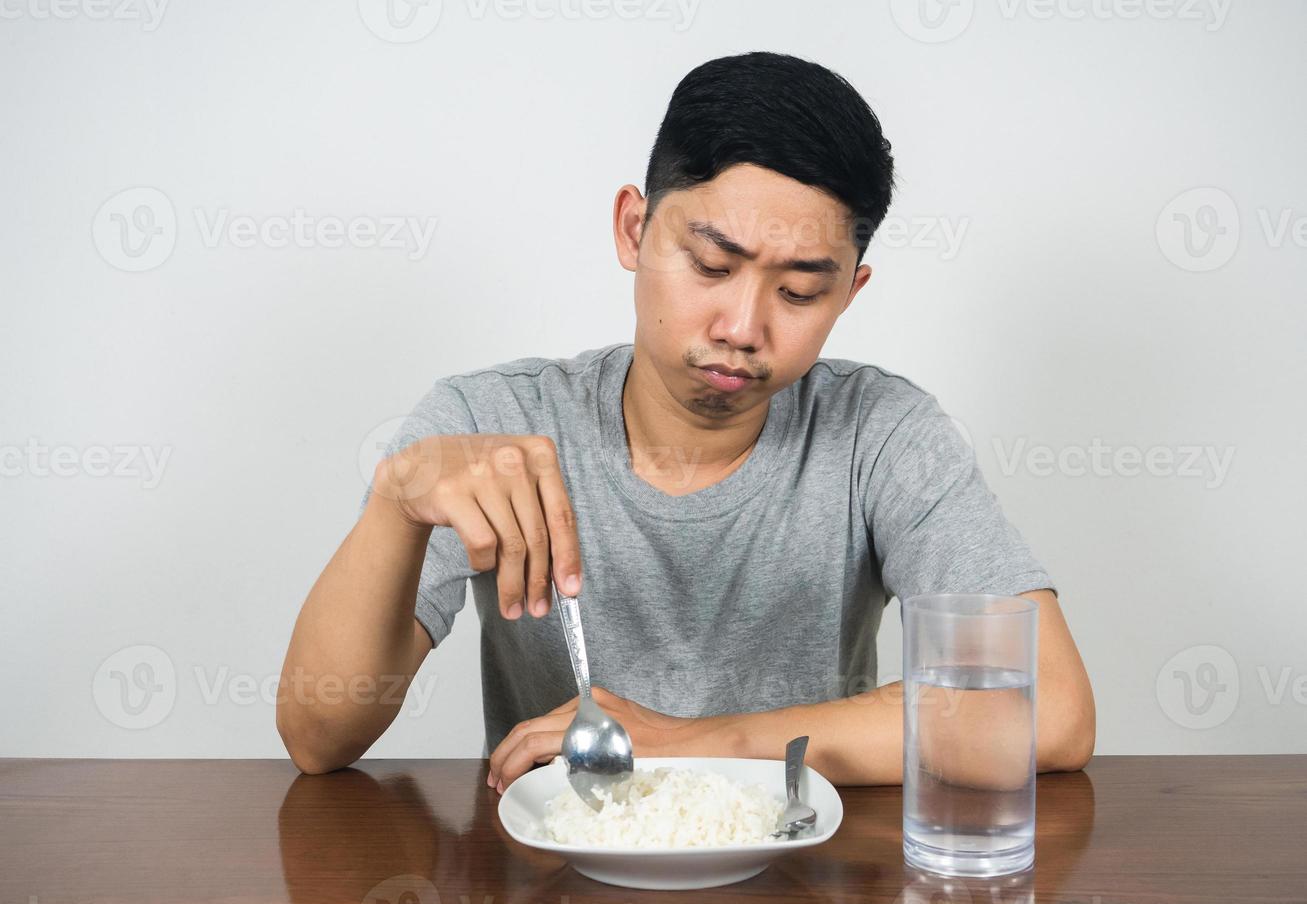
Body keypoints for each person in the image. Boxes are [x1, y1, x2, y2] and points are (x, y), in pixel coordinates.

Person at [276, 51, 1095, 789]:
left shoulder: (881, 434)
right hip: (559, 897)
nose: (742, 326)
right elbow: (319, 737)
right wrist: (396, 501)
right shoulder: (495, 423)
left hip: (808, 893)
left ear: (850, 290)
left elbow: (1051, 712)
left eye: (800, 291)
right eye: (710, 265)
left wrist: (695, 740)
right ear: (633, 228)